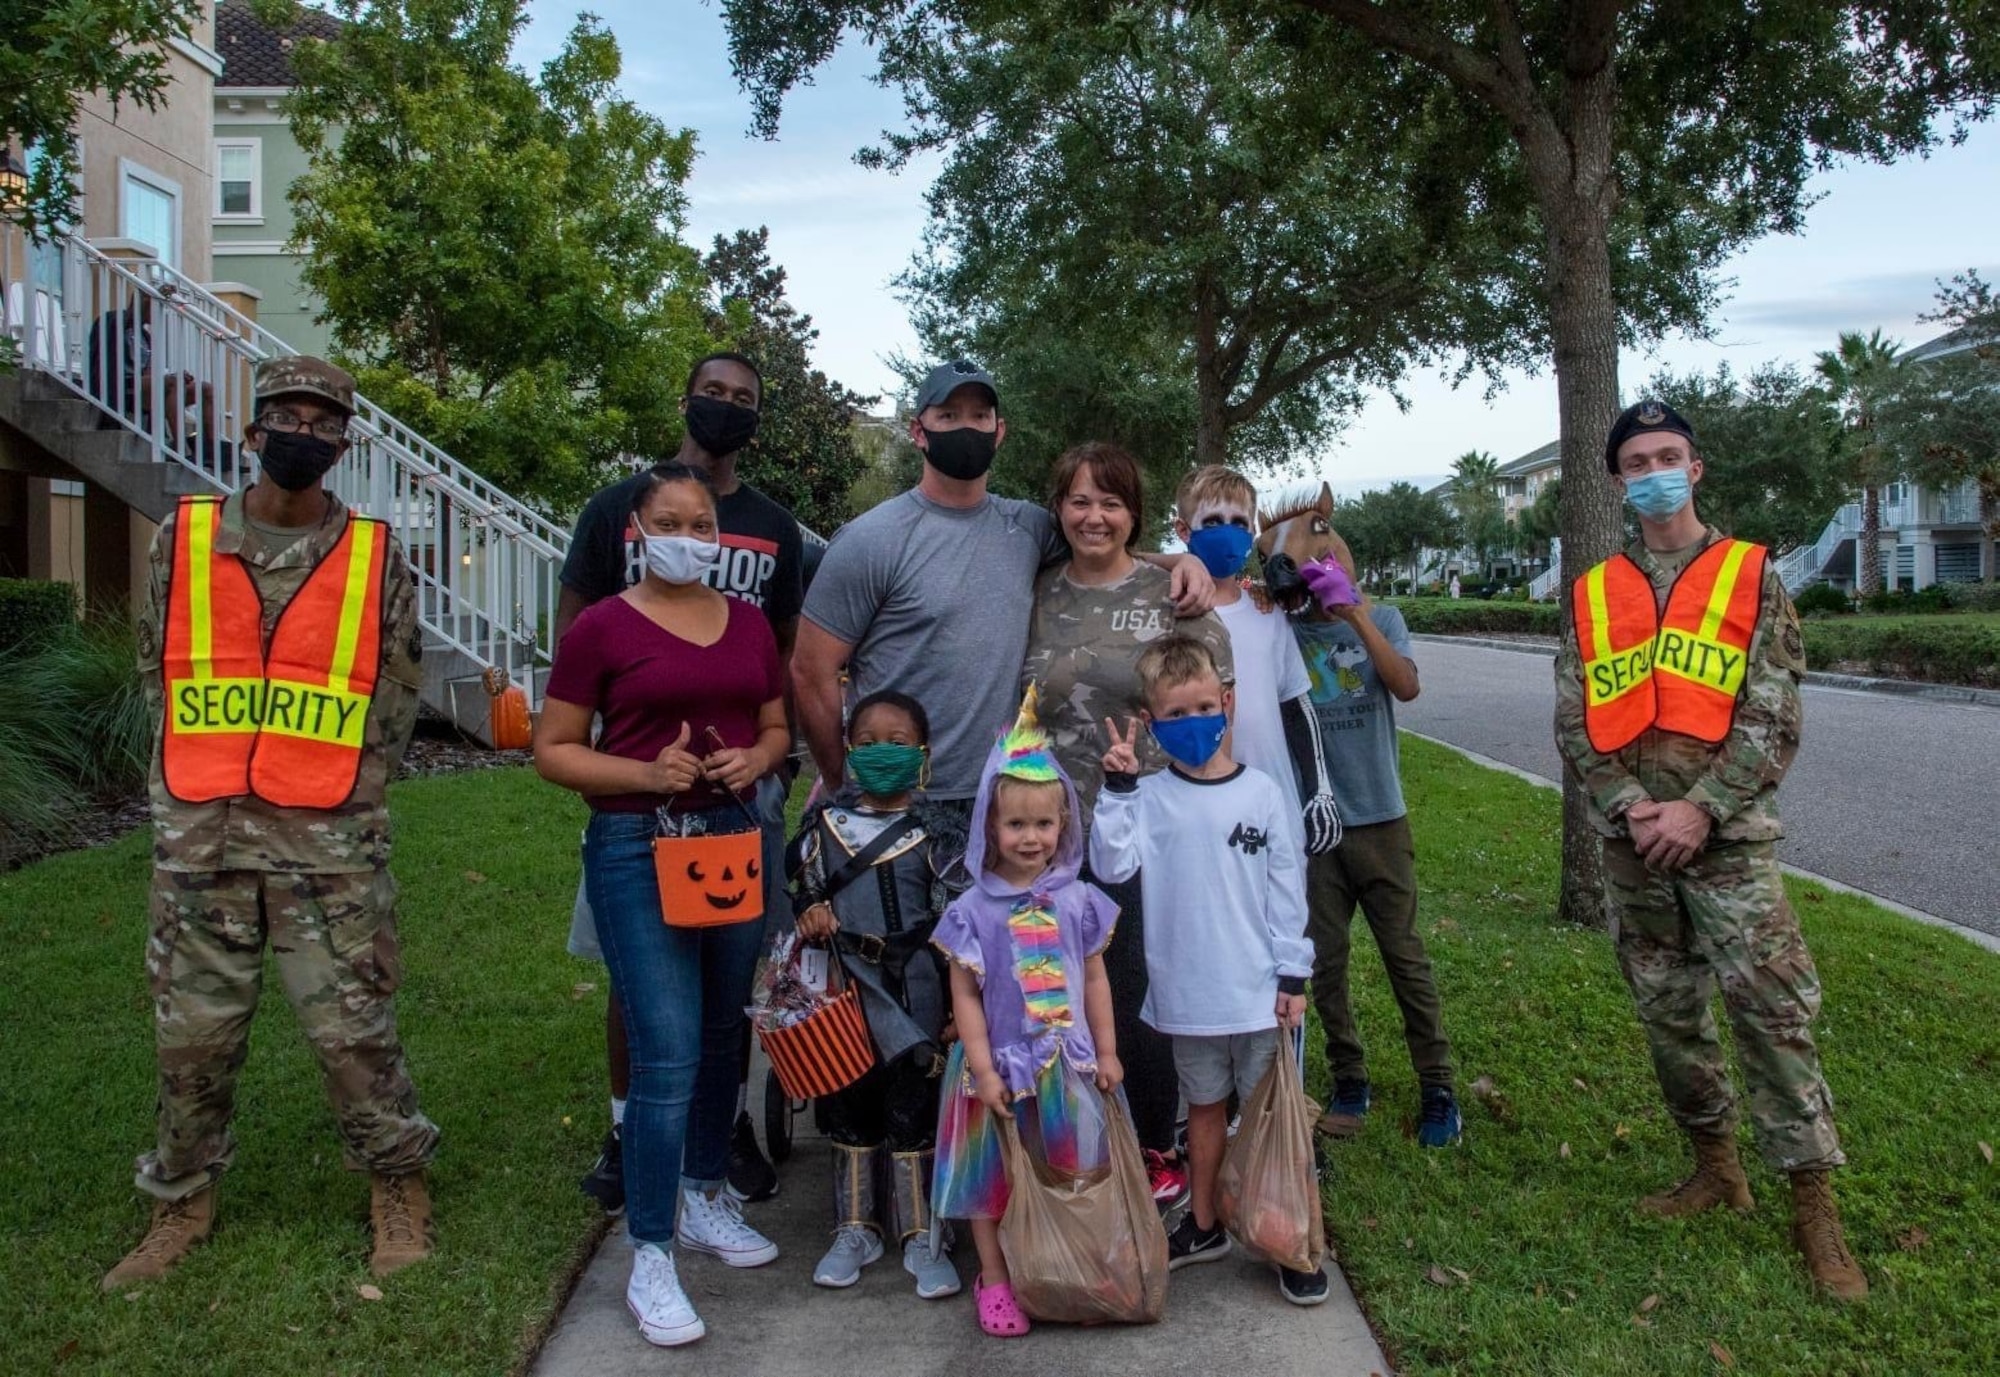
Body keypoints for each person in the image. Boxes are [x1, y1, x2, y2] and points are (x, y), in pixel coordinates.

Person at [106, 355, 438, 1290]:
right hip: (202, 835)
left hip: (326, 840)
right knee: (192, 1036)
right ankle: (180, 1201)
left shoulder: (373, 553)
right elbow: (154, 667)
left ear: (342, 444)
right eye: (287, 417)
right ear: (254, 434)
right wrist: (186, 787)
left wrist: (354, 800)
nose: (305, 432)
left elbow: (395, 698)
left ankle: (397, 1184)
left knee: (353, 1029)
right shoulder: (185, 538)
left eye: (323, 421)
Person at [1554, 399, 1866, 1302]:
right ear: (1617, 481)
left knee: (1772, 1013)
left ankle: (1813, 1202)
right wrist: (1629, 805)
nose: (1653, 469)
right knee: (1669, 1011)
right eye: (1636, 459)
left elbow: (1774, 713)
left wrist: (1699, 810)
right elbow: (1576, 717)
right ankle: (1716, 1165)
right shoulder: (1593, 591)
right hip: (1633, 841)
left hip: (1725, 841)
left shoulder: (1750, 575)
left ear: (1696, 469)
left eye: (1669, 455)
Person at [535, 463, 790, 1347]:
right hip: (636, 845)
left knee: (728, 1028)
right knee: (668, 1046)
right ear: (637, 532)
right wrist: (644, 774)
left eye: (704, 523)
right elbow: (554, 749)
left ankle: (703, 1193)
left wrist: (758, 761)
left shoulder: (750, 624)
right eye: (671, 521)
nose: (690, 535)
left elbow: (775, 725)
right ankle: (650, 1250)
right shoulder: (602, 628)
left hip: (731, 836)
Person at [558, 352, 804, 1212]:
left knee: (726, 989)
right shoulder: (610, 516)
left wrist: (770, 756)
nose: (725, 407)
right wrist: (622, 766)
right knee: (644, 983)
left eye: (744, 398)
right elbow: (572, 654)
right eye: (714, 393)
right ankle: (628, 1129)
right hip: (636, 807)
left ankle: (717, 1131)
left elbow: (780, 671)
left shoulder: (774, 531)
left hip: (741, 807)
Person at [793, 361, 1214, 818]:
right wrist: (842, 784)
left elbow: (1100, 551)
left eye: (979, 416)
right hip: (893, 796)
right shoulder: (870, 540)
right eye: (949, 416)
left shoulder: (1028, 528)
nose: (966, 427)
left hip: (999, 795)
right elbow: (810, 671)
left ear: (999, 432)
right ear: (918, 431)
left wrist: (1182, 560)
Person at [1018, 441, 1234, 1210]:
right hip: (1048, 830)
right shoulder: (1035, 591)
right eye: (1078, 500)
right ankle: (1069, 1138)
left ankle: (1155, 1142)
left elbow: (1217, 712)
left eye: (1110, 501)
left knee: (1139, 984)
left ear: (1133, 513)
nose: (1094, 516)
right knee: (1058, 989)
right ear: (1058, 510)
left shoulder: (1171, 592)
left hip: (1150, 825)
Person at [1087, 636, 1329, 1307]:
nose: (1192, 720)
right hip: (1188, 993)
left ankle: (1287, 1233)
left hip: (1258, 993)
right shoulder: (1150, 797)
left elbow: (1288, 886)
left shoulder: (1262, 793)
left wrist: (1292, 972)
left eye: (1203, 705)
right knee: (1202, 1109)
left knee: (1267, 1117)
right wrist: (1115, 789)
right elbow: (1112, 867)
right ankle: (1203, 1222)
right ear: (1152, 719)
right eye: (1175, 712)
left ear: (1226, 702)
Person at [1261, 490, 1461, 1149]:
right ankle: (1350, 1076)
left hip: (1380, 819)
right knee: (1325, 961)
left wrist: (1354, 613)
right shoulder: (1281, 633)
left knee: (1405, 954)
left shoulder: (1385, 617)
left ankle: (1438, 1084)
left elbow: (1405, 684)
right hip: (1315, 830)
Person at [931, 691, 1122, 1339]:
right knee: (991, 1179)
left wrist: (1109, 1048)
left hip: (1065, 1061)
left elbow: (1093, 975)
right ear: (990, 826)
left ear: (1062, 826)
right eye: (1016, 825)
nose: (1031, 837)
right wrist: (982, 1067)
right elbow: (964, 995)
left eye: (1044, 824)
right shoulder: (973, 910)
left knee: (1073, 1164)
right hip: (995, 1068)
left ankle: (1069, 1259)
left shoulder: (1079, 900)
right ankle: (996, 1276)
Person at [791, 691, 962, 1297]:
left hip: (916, 994)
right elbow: (802, 889)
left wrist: (957, 1009)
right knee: (848, 1103)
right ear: (847, 750)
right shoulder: (822, 828)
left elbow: (959, 930)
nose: (881, 752)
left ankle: (924, 1233)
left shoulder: (940, 836)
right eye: (866, 743)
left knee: (913, 1105)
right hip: (845, 995)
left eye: (897, 742)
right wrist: (810, 909)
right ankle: (855, 1226)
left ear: (922, 754)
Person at [1170, 464, 1341, 856]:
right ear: (1183, 530)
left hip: (1274, 806)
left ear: (1250, 534)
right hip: (1190, 810)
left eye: (1238, 522)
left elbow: (1296, 704)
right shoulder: (1164, 613)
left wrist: (1319, 790)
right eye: (1212, 521)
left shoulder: (1268, 613)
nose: (1227, 530)